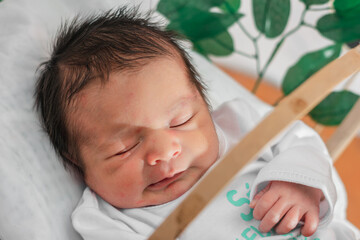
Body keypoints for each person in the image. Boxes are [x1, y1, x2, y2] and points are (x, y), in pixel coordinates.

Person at [34, 6, 359, 240]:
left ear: (205, 106)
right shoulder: (105, 220)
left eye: (181, 121)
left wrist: (299, 183)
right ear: (76, 160)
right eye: (124, 148)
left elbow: (298, 137)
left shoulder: (237, 124)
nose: (163, 152)